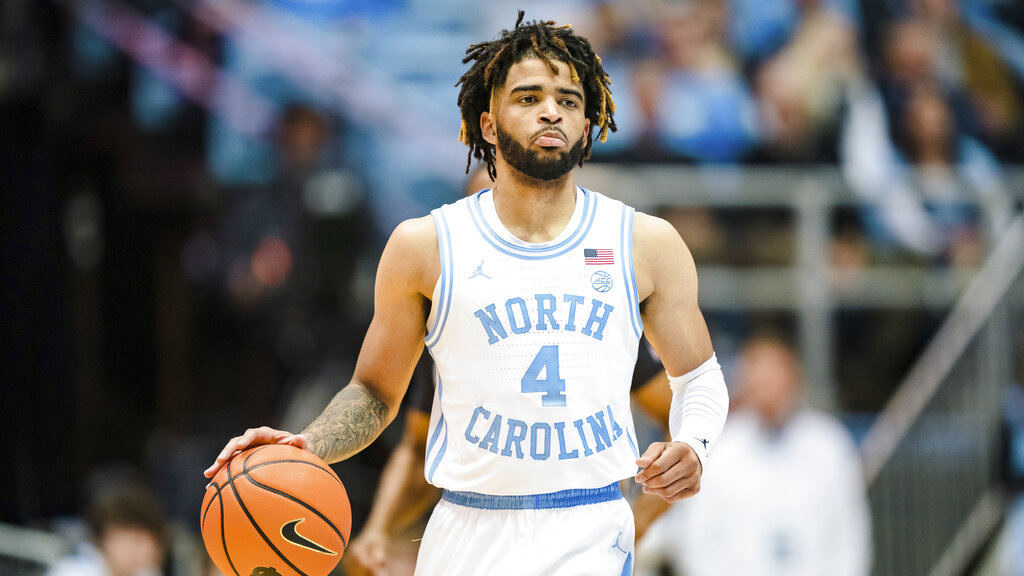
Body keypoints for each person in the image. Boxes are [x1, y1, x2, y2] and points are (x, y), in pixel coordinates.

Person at [205, 12, 728, 575]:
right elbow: (375, 394)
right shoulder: (423, 246)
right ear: (486, 124)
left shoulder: (645, 243)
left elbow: (698, 377)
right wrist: (305, 446)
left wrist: (693, 444)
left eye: (569, 100)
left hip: (588, 527)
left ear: (586, 124)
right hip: (464, 531)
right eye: (528, 97)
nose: (552, 110)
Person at [637, 330, 871, 576]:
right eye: (758, 373)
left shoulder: (829, 444)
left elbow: (849, 535)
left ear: (794, 376)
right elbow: (699, 537)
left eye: (774, 374)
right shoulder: (720, 448)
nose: (766, 384)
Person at [47, 475, 169, 576]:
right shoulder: (73, 571)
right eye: (131, 541)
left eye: (144, 541)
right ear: (102, 539)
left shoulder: (146, 572)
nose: (139, 552)